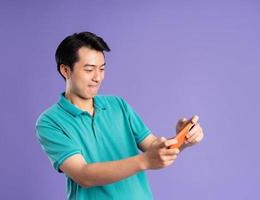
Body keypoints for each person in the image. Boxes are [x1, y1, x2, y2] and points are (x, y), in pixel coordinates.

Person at [35, 31, 204, 200]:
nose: (98, 77)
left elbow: (153, 148)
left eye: (102, 69)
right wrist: (144, 161)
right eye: (89, 70)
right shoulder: (50, 122)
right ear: (65, 70)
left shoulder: (118, 105)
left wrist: (181, 139)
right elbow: (83, 174)